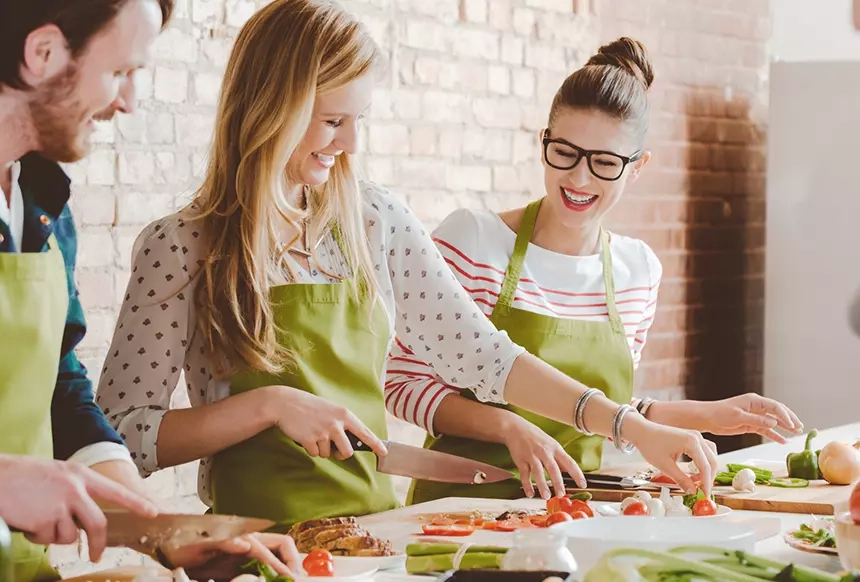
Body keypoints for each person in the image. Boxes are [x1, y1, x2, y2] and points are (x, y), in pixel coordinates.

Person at [97, 0, 725, 533]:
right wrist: (268, 407)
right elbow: (122, 434)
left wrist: (625, 425)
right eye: (332, 120)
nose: (349, 145)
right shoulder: (182, 245)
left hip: (371, 539)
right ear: (269, 106)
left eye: (358, 120)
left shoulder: (374, 221)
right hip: (247, 549)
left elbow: (485, 358)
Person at [384, 38, 804, 504]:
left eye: (604, 163)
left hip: (574, 514)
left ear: (637, 168)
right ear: (543, 140)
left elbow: (608, 411)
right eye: (565, 152)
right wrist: (509, 427)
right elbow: (402, 383)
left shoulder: (637, 271)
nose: (579, 179)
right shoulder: (474, 242)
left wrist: (704, 414)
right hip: (460, 512)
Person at [0, 2, 297, 580]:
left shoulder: (41, 201)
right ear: (43, 54)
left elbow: (59, 391)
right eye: (120, 72)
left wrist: (162, 529)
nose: (129, 101)